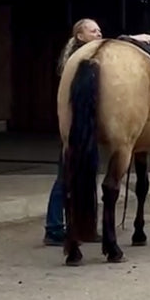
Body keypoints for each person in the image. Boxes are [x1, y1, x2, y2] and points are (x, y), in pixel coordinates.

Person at [44, 18, 102, 244]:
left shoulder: (94, 55)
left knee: (84, 178)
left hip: (88, 128)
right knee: (65, 178)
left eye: (99, 30)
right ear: (80, 36)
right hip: (74, 128)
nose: (98, 33)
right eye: (93, 30)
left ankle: (82, 226)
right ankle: (54, 228)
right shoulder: (76, 60)